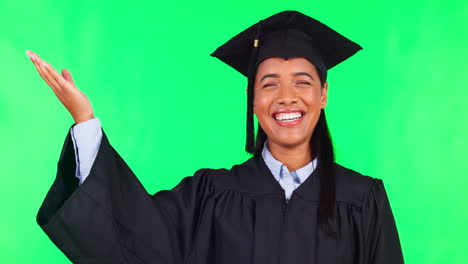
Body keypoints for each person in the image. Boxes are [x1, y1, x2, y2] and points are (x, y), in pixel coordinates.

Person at [29, 10, 404, 264]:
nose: (287, 97)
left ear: (323, 94)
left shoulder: (363, 200)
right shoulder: (210, 194)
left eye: (302, 83)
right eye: (269, 84)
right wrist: (85, 121)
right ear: (252, 99)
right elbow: (136, 236)